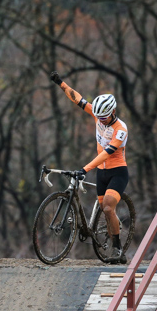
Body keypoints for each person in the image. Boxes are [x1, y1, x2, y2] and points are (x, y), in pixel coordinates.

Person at [50, 71, 129, 264]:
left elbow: (106, 153)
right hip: (101, 172)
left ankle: (118, 248)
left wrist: (85, 169)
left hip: (117, 172)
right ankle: (105, 235)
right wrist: (61, 83)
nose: (100, 120)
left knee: (109, 208)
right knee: (103, 207)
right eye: (98, 117)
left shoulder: (121, 130)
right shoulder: (97, 114)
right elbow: (77, 99)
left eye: (104, 117)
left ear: (113, 112)